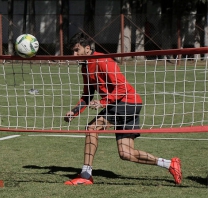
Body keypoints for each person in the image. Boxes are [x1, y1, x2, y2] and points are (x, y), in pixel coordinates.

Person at [63, 32, 182, 185]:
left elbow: (122, 87)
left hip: (127, 102)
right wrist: (74, 112)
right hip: (125, 104)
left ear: (87, 48)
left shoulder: (103, 61)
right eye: (72, 51)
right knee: (126, 153)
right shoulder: (85, 67)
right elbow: (87, 95)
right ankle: (170, 164)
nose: (74, 55)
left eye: (76, 50)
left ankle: (86, 175)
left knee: (92, 128)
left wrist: (104, 102)